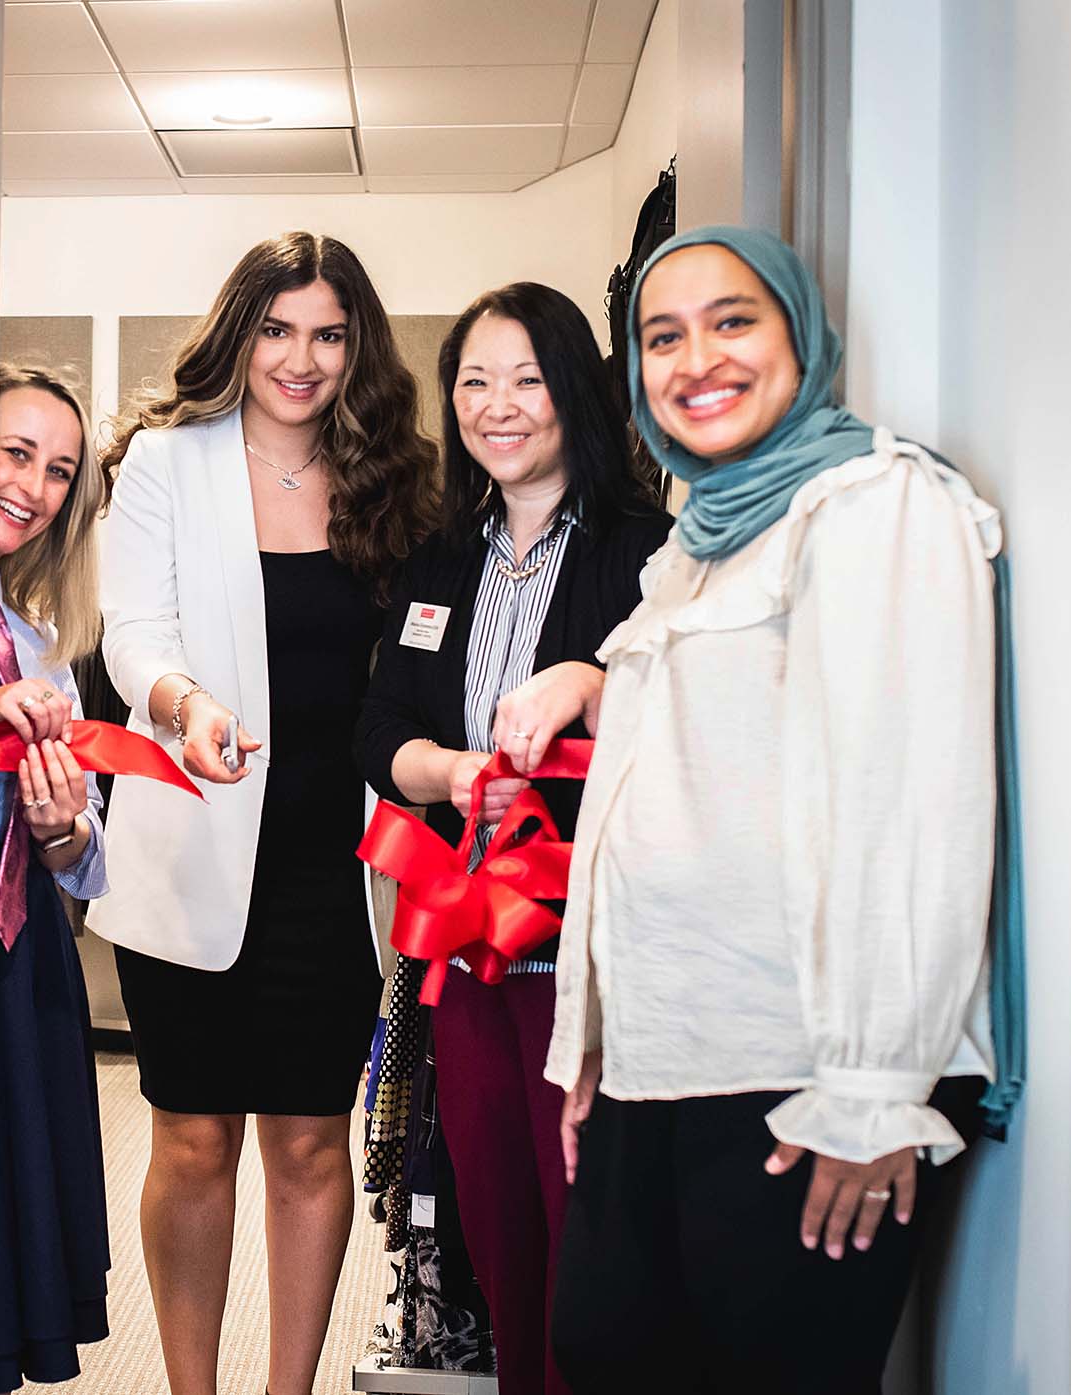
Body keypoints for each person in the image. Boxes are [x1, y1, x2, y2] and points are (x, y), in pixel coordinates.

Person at [536, 226, 1003, 1393]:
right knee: (595, 1354)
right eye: (660, 334)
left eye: (731, 320)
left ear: (798, 335)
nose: (695, 358)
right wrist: (591, 1043)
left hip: (800, 1074)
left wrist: (873, 1086)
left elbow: (911, 806)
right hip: (663, 1063)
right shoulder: (691, 552)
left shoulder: (871, 506)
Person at [90, 230, 434, 1395]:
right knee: (190, 1138)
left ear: (357, 347)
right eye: (277, 329)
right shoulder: (162, 463)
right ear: (238, 331)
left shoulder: (394, 477)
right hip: (192, 836)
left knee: (307, 1139)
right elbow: (134, 632)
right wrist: (184, 702)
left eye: (328, 334)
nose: (301, 358)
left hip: (333, 868)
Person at [355, 283, 671, 1395]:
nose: (495, 407)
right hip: (463, 956)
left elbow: (678, 729)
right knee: (495, 1233)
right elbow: (379, 731)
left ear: (574, 392)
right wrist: (447, 774)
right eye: (473, 381)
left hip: (586, 961)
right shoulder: (440, 558)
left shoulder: (649, 554)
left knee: (587, 1243)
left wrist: (588, 680)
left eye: (525, 379)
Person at [0, 364, 114, 1392]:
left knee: (9, 1232)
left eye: (58, 471)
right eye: (15, 452)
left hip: (23, 967)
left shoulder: (38, 647)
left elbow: (88, 864)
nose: (33, 486)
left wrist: (65, 831)